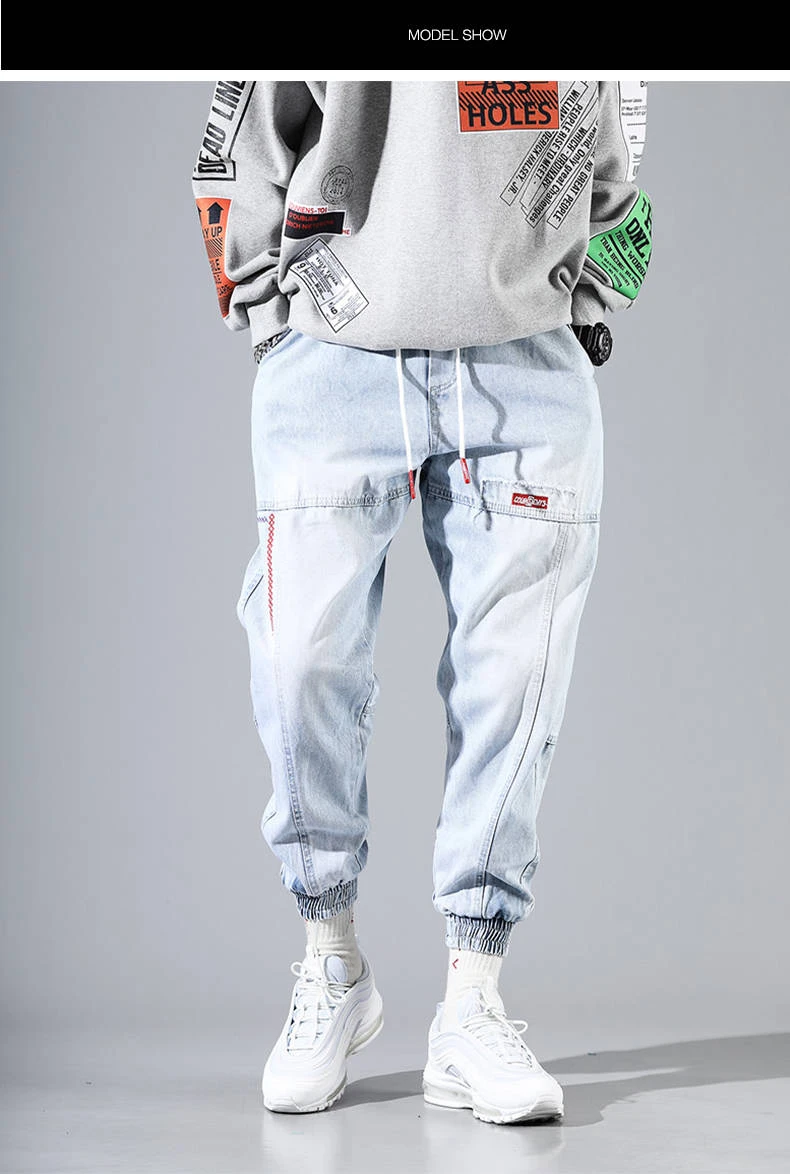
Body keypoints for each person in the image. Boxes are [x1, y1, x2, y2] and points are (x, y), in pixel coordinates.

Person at [192, 78, 652, 1125]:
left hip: (526, 361)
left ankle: (473, 1000)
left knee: (516, 682)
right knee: (298, 659)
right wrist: (265, 312)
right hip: (335, 354)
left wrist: (593, 297)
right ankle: (332, 960)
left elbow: (615, 118)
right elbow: (246, 121)